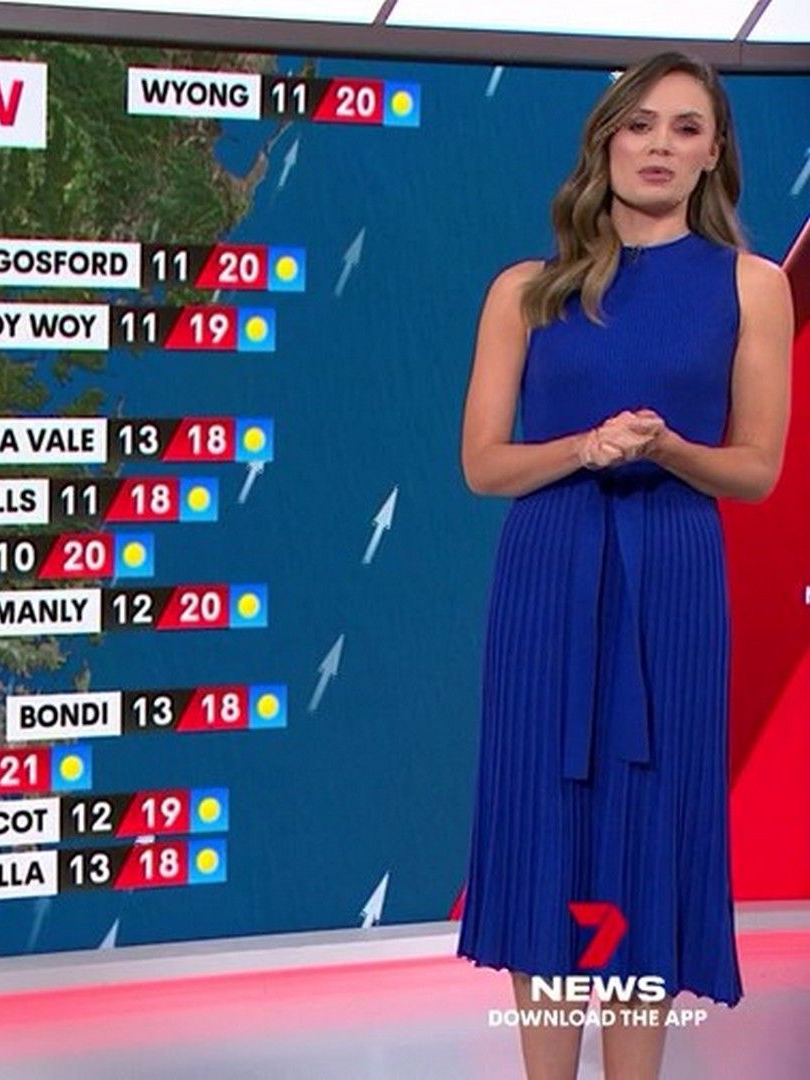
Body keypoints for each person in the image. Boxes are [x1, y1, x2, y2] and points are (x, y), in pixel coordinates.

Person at [455, 51, 793, 1080]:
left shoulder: (753, 287)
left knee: (646, 830)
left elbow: (756, 471)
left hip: (673, 576)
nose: (660, 146)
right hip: (549, 575)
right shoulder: (524, 290)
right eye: (640, 124)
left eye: (687, 128)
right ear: (605, 142)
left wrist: (669, 448)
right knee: (547, 828)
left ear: (714, 155)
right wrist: (584, 448)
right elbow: (483, 465)